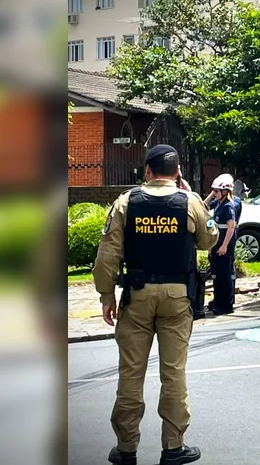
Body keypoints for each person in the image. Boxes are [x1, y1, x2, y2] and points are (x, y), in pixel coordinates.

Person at [93, 144, 218, 465]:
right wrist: (195, 200)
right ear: (177, 172)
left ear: (147, 170)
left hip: (136, 296)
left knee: (131, 374)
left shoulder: (126, 202)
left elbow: (107, 255)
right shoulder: (188, 202)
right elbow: (209, 239)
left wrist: (107, 295)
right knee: (173, 373)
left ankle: (126, 448)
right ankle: (174, 447)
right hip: (178, 296)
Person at [204, 174, 239, 315]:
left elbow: (231, 227)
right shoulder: (219, 204)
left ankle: (226, 305)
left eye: (217, 191)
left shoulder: (228, 207)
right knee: (216, 276)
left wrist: (224, 245)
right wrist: (213, 192)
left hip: (224, 246)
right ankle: (218, 301)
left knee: (225, 276)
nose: (214, 194)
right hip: (217, 245)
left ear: (225, 191)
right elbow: (204, 205)